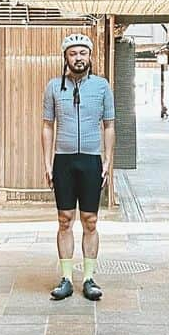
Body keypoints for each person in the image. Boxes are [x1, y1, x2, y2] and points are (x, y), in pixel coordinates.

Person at [42, 33, 116, 301]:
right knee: (64, 220)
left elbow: (109, 125)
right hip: (63, 159)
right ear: (65, 57)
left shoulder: (102, 86)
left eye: (83, 53)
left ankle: (88, 278)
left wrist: (107, 160)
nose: (78, 58)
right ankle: (65, 278)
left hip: (91, 160)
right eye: (73, 53)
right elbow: (47, 126)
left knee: (91, 220)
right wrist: (47, 162)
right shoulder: (53, 87)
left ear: (90, 56)